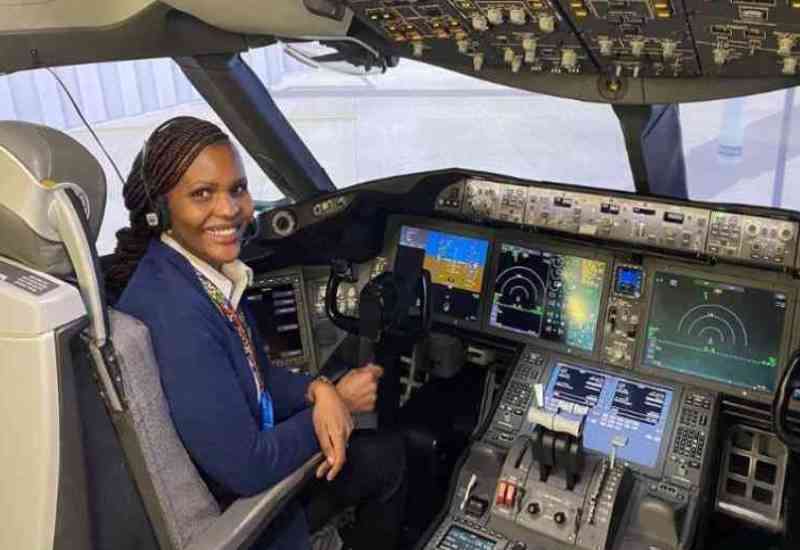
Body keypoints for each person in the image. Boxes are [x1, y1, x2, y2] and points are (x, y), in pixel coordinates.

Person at [106, 116, 406, 550]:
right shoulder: (177, 315)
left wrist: (318, 390)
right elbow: (248, 467)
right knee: (388, 458)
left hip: (235, 486)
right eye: (202, 193)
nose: (229, 210)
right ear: (161, 209)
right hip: (248, 522)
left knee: (377, 452)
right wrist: (341, 404)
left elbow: (257, 376)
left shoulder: (188, 275)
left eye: (237, 189)